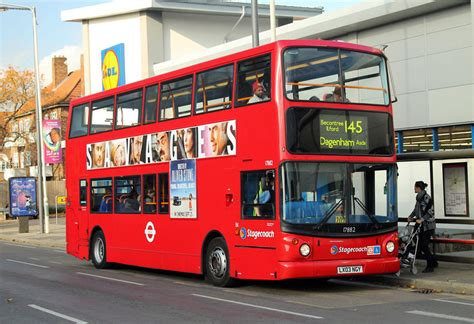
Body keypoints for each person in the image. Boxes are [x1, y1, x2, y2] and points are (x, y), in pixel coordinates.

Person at [408, 181, 438, 273]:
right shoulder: (419, 198)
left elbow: (430, 212)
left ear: (418, 188)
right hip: (422, 225)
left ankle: (430, 266)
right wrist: (411, 216)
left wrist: (422, 219)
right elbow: (416, 209)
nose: (414, 188)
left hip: (428, 225)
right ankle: (433, 262)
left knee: (424, 245)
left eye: (415, 187)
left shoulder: (426, 197)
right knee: (421, 244)